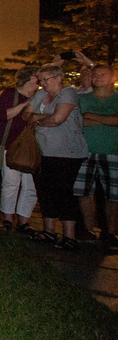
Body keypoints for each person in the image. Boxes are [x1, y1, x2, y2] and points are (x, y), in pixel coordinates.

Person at [22, 64, 89, 250]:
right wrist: (40, 118)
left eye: (46, 80)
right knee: (44, 191)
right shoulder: (41, 95)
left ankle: (69, 236)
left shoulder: (68, 94)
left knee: (63, 191)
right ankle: (49, 231)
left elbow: (58, 119)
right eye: (40, 80)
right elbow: (26, 115)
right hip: (42, 151)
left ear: (59, 77)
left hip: (67, 153)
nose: (42, 84)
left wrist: (37, 119)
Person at [74, 64, 118, 249]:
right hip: (85, 150)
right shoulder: (82, 98)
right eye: (95, 74)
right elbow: (78, 120)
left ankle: (111, 233)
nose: (98, 77)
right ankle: (89, 229)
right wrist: (108, 120)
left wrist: (92, 116)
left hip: (113, 151)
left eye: (103, 74)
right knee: (83, 191)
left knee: (113, 195)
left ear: (113, 78)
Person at [0, 67, 40, 233]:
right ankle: (7, 218)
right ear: (29, 78)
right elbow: (2, 116)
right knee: (10, 183)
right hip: (11, 144)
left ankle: (24, 220)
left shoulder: (41, 96)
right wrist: (25, 105)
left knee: (31, 185)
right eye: (37, 76)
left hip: (33, 147)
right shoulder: (10, 94)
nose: (40, 80)